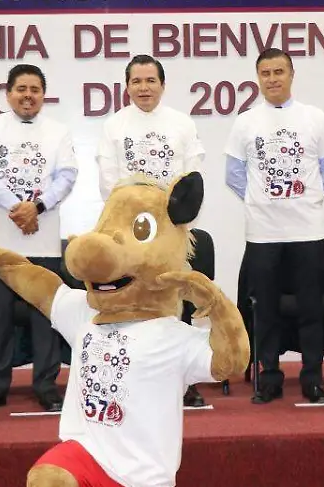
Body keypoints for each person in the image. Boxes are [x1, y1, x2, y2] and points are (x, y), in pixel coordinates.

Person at [225, 47, 324, 404]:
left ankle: (312, 379)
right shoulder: (246, 121)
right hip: (263, 233)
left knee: (311, 308)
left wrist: (305, 198)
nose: (272, 79)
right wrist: (262, 200)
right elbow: (233, 174)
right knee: (266, 310)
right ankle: (270, 377)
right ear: (258, 78)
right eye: (266, 73)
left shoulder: (314, 117)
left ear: (291, 75)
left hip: (307, 230)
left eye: (279, 72)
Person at [96, 54, 209, 408]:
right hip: (131, 235)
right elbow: (109, 181)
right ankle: (135, 378)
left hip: (171, 230)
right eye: (137, 81)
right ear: (127, 86)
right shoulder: (114, 125)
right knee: (136, 301)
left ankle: (185, 380)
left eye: (150, 81)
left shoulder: (181, 123)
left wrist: (170, 212)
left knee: (177, 300)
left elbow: (191, 175)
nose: (144, 88)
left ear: (162, 85)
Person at [0, 64, 78, 413]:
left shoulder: (58, 132)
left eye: (35, 89)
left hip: (42, 241)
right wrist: (18, 207)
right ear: (8, 93)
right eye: (21, 89)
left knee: (46, 318)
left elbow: (67, 176)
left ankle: (46, 386)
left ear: (43, 95)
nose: (28, 95)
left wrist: (37, 207)